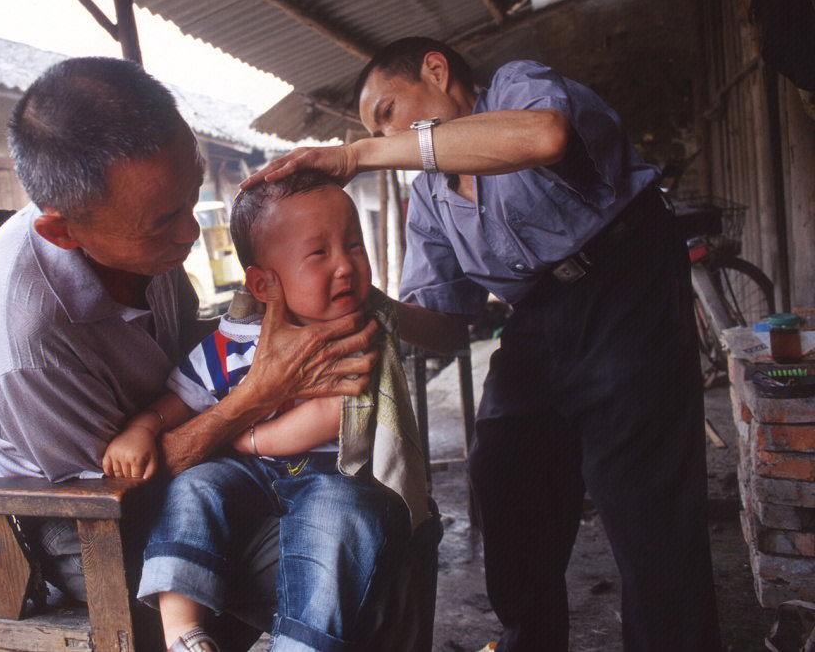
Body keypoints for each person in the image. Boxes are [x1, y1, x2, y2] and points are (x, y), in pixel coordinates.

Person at [245, 37, 722, 652]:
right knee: (503, 469)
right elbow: (446, 324)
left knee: (644, 502)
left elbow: (546, 137)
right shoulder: (431, 198)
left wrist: (363, 153)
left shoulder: (518, 90)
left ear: (437, 72)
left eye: (387, 110)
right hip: (539, 315)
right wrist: (376, 306)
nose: (383, 132)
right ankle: (530, 639)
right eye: (374, 128)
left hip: (625, 279)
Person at [0, 57, 382, 650]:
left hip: (195, 471)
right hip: (93, 531)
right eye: (164, 223)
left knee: (369, 525)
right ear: (65, 232)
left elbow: (194, 366)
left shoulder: (143, 245)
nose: (189, 235)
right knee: (354, 556)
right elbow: (119, 499)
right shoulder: (27, 341)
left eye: (191, 198)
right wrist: (258, 397)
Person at [103, 172, 432, 652]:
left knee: (339, 529)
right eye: (319, 254)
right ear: (262, 283)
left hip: (333, 475)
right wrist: (142, 426)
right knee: (194, 487)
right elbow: (183, 396)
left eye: (355, 246)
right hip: (247, 475)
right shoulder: (234, 340)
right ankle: (182, 632)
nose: (345, 266)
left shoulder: (358, 335)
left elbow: (337, 413)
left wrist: (251, 439)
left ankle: (301, 645)